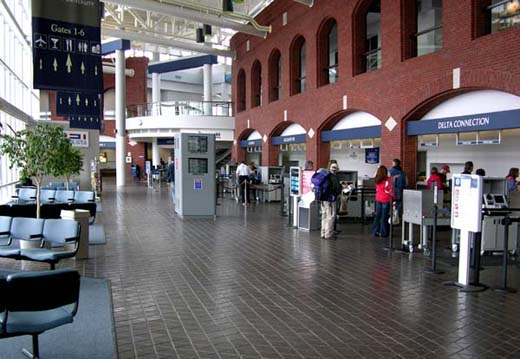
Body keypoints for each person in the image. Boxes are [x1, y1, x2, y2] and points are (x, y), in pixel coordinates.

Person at [319, 162, 341, 240]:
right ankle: (328, 234)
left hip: (322, 198)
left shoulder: (325, 176)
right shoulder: (333, 177)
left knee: (324, 216)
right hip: (330, 199)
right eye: (335, 167)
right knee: (331, 216)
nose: (335, 169)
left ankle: (323, 233)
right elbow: (336, 188)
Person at [372, 165, 394, 238]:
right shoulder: (388, 180)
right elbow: (390, 190)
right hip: (386, 199)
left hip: (378, 198)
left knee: (378, 215)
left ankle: (375, 231)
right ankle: (383, 232)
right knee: (384, 216)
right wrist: (394, 197)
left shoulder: (377, 179)